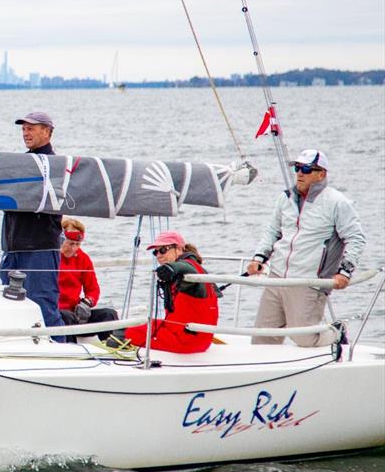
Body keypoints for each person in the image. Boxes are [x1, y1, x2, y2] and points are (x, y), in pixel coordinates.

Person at [246, 149, 365, 347]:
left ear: (321, 174)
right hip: (276, 278)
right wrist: (259, 257)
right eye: (298, 167)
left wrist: (345, 272)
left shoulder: (337, 202)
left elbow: (357, 238)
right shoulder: (285, 198)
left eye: (307, 169)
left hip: (308, 281)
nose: (300, 173)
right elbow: (272, 231)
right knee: (261, 340)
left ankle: (336, 332)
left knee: (305, 338)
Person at [0, 111, 65, 339]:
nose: (25, 133)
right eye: (23, 129)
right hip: (13, 249)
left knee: (44, 307)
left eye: (31, 128)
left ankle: (62, 353)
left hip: (39, 250)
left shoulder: (55, 166)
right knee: (12, 307)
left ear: (47, 132)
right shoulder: (22, 164)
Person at [122, 231, 219, 354]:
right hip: (189, 335)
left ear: (178, 249)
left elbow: (186, 268)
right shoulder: (198, 269)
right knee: (134, 323)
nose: (158, 255)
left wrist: (172, 268)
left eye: (163, 250)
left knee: (128, 333)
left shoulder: (189, 268)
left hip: (186, 340)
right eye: (155, 252)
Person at [57, 218, 119, 342]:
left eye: (77, 244)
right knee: (66, 316)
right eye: (70, 243)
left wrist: (87, 302)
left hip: (76, 312)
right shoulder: (52, 259)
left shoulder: (83, 258)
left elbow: (93, 289)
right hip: (57, 314)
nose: (74, 248)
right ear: (61, 240)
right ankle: (71, 351)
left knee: (109, 314)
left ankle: (113, 349)